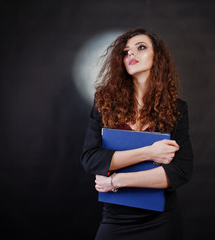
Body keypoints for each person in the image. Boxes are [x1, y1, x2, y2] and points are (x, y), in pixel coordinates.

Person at [81, 27, 193, 240]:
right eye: (125, 52)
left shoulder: (177, 108)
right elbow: (91, 159)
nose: (130, 54)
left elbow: (180, 171)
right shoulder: (104, 103)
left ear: (157, 57)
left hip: (162, 219)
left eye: (140, 47)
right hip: (116, 219)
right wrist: (150, 153)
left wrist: (116, 181)